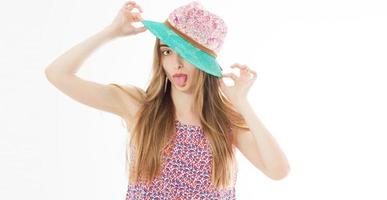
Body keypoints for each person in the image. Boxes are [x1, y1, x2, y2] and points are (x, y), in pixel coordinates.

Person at [45, 1, 290, 199]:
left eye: (185, 53)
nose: (176, 63)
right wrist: (111, 33)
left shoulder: (224, 123)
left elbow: (278, 170)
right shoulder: (139, 107)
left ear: (205, 63)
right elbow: (57, 74)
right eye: (167, 51)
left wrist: (242, 103)